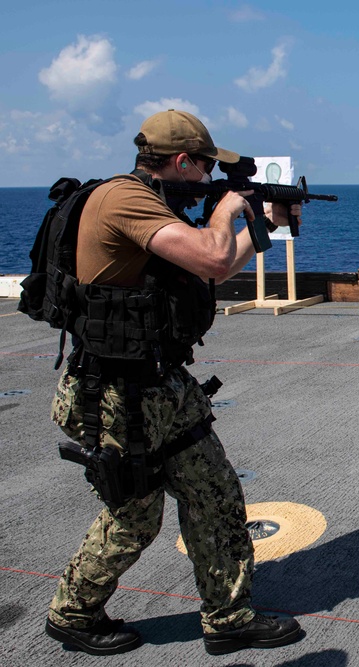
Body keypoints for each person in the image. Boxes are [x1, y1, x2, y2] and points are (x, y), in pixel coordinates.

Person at [43, 109, 305, 656]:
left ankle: (229, 618)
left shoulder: (157, 205)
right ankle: (73, 612)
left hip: (161, 386)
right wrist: (233, 207)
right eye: (206, 169)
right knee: (135, 518)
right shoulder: (124, 199)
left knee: (215, 494)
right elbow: (212, 257)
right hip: (115, 395)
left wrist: (268, 223)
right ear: (181, 162)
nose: (210, 181)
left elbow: (219, 263)